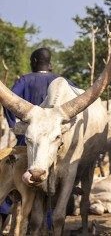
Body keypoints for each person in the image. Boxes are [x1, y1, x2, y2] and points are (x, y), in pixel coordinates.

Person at [0, 48, 61, 224]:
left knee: (10, 178)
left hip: (28, 140)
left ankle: (6, 215)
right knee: (51, 184)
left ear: (34, 61)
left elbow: (8, 101)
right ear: (50, 64)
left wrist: (16, 127)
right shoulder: (60, 82)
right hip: (52, 143)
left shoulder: (25, 80)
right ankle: (48, 223)